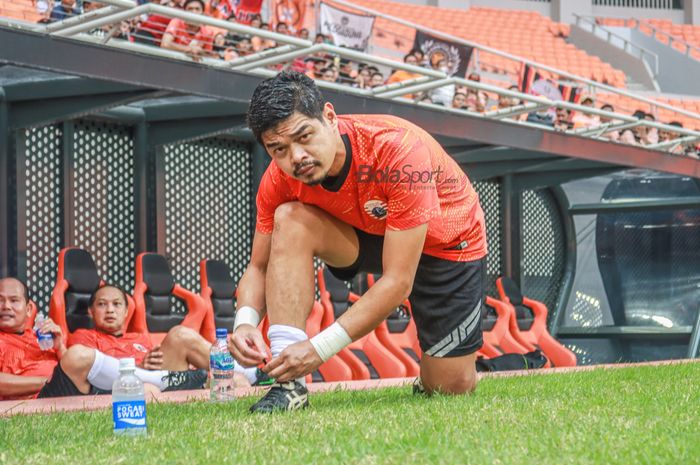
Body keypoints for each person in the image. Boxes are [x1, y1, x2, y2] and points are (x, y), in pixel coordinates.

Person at [230, 71, 487, 413]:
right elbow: (258, 266)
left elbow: (398, 281)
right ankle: (288, 386)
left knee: (449, 388)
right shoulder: (279, 179)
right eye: (279, 149)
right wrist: (245, 321)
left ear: (330, 117)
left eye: (304, 136)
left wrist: (318, 349)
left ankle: (458, 368)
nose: (297, 157)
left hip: (448, 245)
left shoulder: (399, 150)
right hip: (368, 231)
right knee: (289, 219)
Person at [0, 278, 206, 401]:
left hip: (85, 387)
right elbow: (78, 371)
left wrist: (60, 347)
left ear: (28, 309)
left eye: (14, 300)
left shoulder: (41, 337)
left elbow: (69, 368)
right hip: (65, 393)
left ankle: (232, 367)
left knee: (180, 335)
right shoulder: (84, 336)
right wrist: (48, 380)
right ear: (91, 311)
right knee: (79, 355)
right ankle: (200, 378)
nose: (6, 306)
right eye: (0, 301)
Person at [68, 285, 263, 385]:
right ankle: (254, 372)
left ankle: (249, 372)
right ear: (90, 312)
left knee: (235, 379)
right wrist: (138, 366)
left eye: (117, 304)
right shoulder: (83, 337)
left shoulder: (138, 338)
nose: (110, 310)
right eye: (102, 304)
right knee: (179, 336)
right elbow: (93, 374)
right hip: (127, 387)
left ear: (127, 311)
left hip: (166, 379)